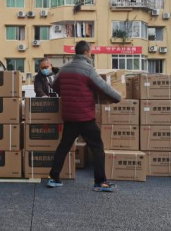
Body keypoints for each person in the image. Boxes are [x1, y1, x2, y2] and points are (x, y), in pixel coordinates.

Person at [47, 41, 123, 192]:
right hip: (85, 117)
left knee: (63, 147)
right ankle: (100, 182)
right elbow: (104, 87)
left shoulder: (64, 69)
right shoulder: (88, 69)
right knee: (97, 147)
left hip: (69, 116)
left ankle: (54, 178)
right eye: (90, 52)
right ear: (87, 52)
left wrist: (67, 94)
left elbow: (54, 85)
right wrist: (118, 97)